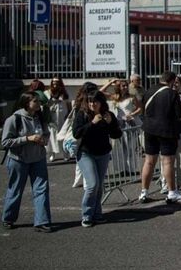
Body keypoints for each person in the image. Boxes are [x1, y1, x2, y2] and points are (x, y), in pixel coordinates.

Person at [1, 92, 53, 231]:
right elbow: (5, 142)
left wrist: (44, 140)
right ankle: (8, 218)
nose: (39, 104)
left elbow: (46, 133)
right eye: (35, 101)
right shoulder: (14, 119)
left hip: (38, 158)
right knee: (16, 189)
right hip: (19, 160)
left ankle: (42, 221)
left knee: (41, 189)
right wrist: (27, 139)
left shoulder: (40, 117)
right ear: (26, 103)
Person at [72, 90, 123, 227]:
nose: (92, 104)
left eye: (95, 101)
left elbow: (117, 134)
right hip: (85, 153)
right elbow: (76, 134)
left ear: (101, 103)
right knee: (92, 184)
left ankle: (97, 213)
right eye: (89, 101)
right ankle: (87, 215)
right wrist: (92, 123)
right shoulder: (82, 115)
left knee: (99, 185)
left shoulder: (108, 115)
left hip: (103, 153)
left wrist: (111, 123)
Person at [139, 71, 181, 204]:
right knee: (167, 162)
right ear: (172, 81)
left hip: (149, 129)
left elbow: (143, 108)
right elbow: (179, 115)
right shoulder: (172, 94)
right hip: (166, 130)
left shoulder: (149, 90)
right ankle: (172, 192)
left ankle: (144, 192)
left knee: (149, 161)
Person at [45, 76, 71, 162]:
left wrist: (69, 115)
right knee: (52, 136)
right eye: (53, 83)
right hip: (52, 118)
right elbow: (45, 105)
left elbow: (69, 105)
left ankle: (65, 153)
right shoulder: (48, 93)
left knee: (63, 135)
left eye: (57, 83)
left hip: (62, 117)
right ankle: (52, 154)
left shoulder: (64, 93)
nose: (55, 84)